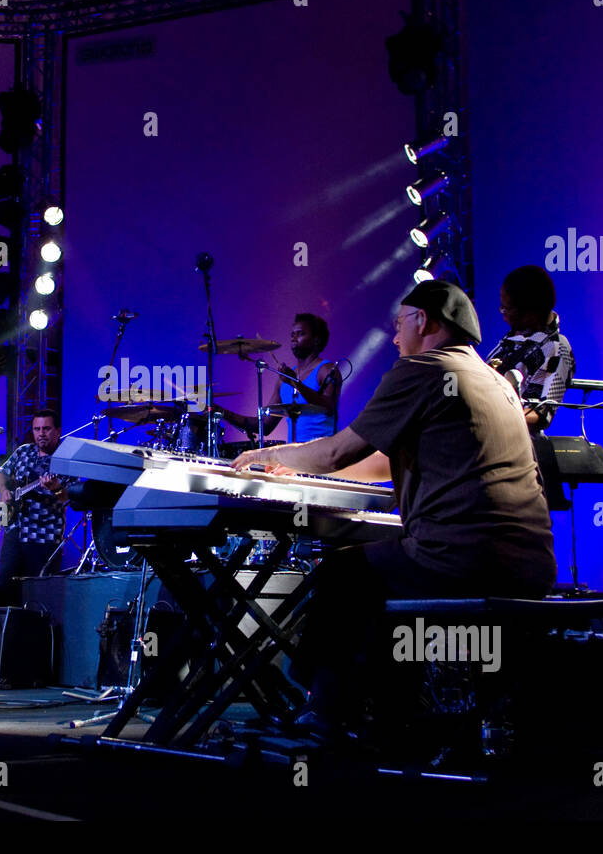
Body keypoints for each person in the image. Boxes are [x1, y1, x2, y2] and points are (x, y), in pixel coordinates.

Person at [231, 280, 556, 729]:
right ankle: (381, 715)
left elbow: (337, 451)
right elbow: (381, 461)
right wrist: (303, 471)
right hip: (532, 565)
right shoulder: (494, 382)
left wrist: (267, 456)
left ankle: (320, 713)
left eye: (400, 323)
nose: (394, 335)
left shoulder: (422, 369)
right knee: (372, 581)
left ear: (425, 321)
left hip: (461, 560)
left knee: (342, 574)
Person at [217, 313, 341, 443]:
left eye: (300, 334)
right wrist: (221, 412)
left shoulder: (326, 370)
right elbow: (265, 426)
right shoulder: (285, 379)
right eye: (292, 334)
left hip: (322, 452)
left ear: (317, 340)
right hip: (294, 455)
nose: (294, 338)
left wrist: (295, 383)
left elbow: (329, 407)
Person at [0, 410, 71, 607]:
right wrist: (3, 491)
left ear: (58, 431)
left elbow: (69, 496)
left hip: (44, 536)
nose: (41, 433)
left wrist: (56, 488)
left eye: (46, 429)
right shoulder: (23, 451)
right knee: (4, 586)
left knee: (38, 594)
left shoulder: (67, 459)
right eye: (37, 429)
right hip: (15, 531)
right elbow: (0, 474)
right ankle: (1, 633)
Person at [486, 265, 575, 432]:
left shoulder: (556, 348)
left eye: (508, 309)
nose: (502, 314)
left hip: (512, 446)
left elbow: (540, 414)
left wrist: (484, 415)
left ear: (531, 312)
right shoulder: (514, 338)